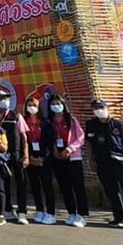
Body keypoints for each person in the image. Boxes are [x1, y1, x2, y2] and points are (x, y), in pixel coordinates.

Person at [85, 98, 123, 233]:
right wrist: (91, 161)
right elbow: (89, 143)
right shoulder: (91, 125)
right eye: (96, 108)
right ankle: (119, 218)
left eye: (101, 107)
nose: (99, 110)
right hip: (103, 163)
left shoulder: (118, 124)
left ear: (106, 108)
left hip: (121, 163)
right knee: (111, 192)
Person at [43, 94, 88, 228]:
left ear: (63, 104)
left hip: (73, 156)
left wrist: (69, 149)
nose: (56, 106)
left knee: (78, 186)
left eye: (58, 103)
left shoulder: (71, 120)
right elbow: (48, 139)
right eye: (53, 104)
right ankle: (71, 212)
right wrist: (54, 149)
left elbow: (81, 137)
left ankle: (82, 215)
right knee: (64, 186)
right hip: (57, 156)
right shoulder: (49, 122)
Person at [0, 87, 30, 224]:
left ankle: (22, 212)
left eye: (6, 98)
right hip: (0, 155)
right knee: (4, 184)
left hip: (17, 154)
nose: (5, 101)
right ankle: (7, 210)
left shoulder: (16, 116)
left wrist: (25, 155)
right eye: (1, 99)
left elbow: (24, 137)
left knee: (21, 183)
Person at [24, 96, 56, 225]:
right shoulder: (24, 121)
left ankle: (50, 212)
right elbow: (23, 140)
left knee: (47, 186)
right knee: (35, 186)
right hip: (31, 157)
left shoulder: (45, 122)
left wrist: (43, 158)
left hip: (44, 158)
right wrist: (30, 157)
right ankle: (39, 210)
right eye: (29, 105)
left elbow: (50, 142)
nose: (31, 107)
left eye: (34, 105)